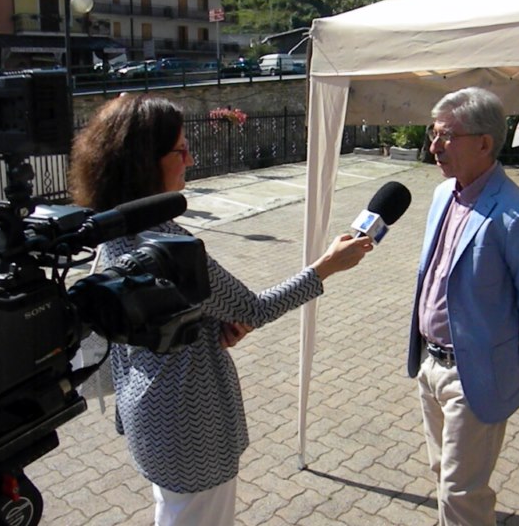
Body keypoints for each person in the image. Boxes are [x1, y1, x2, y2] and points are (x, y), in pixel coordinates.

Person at [69, 94, 373, 526]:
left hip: (149, 415)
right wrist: (325, 267)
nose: (190, 159)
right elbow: (253, 308)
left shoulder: (112, 229)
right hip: (188, 425)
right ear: (144, 161)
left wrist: (211, 325)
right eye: (180, 150)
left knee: (172, 513)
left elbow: (161, 320)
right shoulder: (163, 246)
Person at [407, 87, 519, 526]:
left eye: (445, 136)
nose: (433, 147)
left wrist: (506, 364)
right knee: (443, 475)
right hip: (429, 365)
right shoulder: (443, 195)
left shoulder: (518, 216)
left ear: (484, 143)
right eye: (432, 134)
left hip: (474, 375)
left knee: (461, 492)